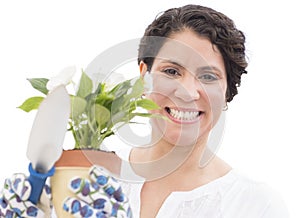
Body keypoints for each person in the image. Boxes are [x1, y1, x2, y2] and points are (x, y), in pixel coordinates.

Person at [0, 4, 289, 218]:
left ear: (227, 91)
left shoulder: (256, 206)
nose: (188, 92)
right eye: (172, 70)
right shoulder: (86, 185)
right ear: (144, 75)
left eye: (208, 76)